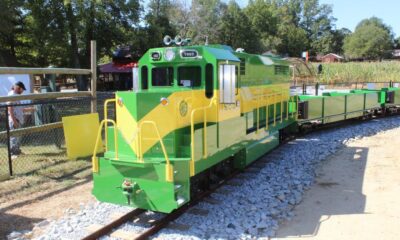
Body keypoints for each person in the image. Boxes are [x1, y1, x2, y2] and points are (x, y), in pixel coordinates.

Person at [7, 81, 26, 159]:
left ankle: (17, 151)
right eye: (22, 89)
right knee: (14, 137)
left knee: (18, 136)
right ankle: (12, 154)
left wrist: (30, 109)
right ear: (18, 88)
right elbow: (10, 108)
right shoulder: (12, 94)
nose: (22, 91)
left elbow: (19, 108)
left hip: (18, 119)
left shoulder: (16, 95)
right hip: (15, 119)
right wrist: (14, 120)